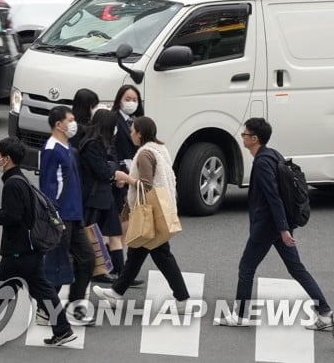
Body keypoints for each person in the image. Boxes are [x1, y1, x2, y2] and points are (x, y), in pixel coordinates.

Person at [215, 118, 333, 328]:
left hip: (269, 226)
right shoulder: (273, 154)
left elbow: (273, 197)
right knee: (296, 269)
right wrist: (284, 227)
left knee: (246, 267)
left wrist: (283, 229)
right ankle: (325, 313)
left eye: (245, 134)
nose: (242, 137)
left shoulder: (262, 163)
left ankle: (240, 315)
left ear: (255, 139)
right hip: (279, 224)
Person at [0, 137, 76, 347]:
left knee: (1, 289)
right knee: (40, 289)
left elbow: (14, 216)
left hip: (19, 249)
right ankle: (63, 330)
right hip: (29, 249)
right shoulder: (20, 179)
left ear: (7, 159)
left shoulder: (12, 184)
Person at [93, 117, 191, 311]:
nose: (130, 134)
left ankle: (183, 299)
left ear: (140, 133)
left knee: (160, 256)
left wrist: (126, 177)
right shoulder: (159, 149)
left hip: (150, 213)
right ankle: (116, 293)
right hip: (158, 210)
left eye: (133, 131)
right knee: (137, 254)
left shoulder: (145, 154)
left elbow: (146, 185)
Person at [39, 106, 95, 322]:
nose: (74, 124)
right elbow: (49, 187)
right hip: (61, 217)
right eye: (70, 120)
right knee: (58, 266)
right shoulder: (52, 150)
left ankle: (76, 304)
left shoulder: (69, 148)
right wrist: (54, 217)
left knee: (87, 260)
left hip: (74, 215)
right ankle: (46, 308)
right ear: (58, 124)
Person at [78, 108, 129, 283]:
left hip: (103, 195)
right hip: (94, 197)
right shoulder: (92, 145)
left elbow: (109, 165)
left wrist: (113, 172)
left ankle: (121, 273)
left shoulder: (100, 143)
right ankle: (98, 271)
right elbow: (102, 171)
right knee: (91, 234)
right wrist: (117, 174)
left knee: (114, 233)